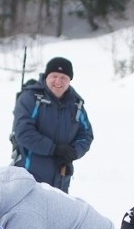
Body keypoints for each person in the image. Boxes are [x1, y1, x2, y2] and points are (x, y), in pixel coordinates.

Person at [11, 56, 93, 193]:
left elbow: (86, 134)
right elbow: (23, 132)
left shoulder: (76, 104)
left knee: (57, 213)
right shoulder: (30, 98)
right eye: (54, 76)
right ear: (46, 76)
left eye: (63, 77)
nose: (58, 81)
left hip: (61, 177)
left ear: (69, 80)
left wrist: (72, 152)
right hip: (29, 176)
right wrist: (54, 149)